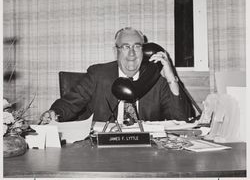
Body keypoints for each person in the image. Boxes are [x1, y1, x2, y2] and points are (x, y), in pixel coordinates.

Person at [39, 27, 195, 125]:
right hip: (102, 148)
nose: (132, 53)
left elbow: (182, 119)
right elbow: (70, 103)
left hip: (145, 150)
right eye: (125, 47)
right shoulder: (98, 74)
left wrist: (171, 77)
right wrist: (54, 113)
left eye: (137, 47)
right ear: (116, 51)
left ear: (145, 51)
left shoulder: (157, 80)